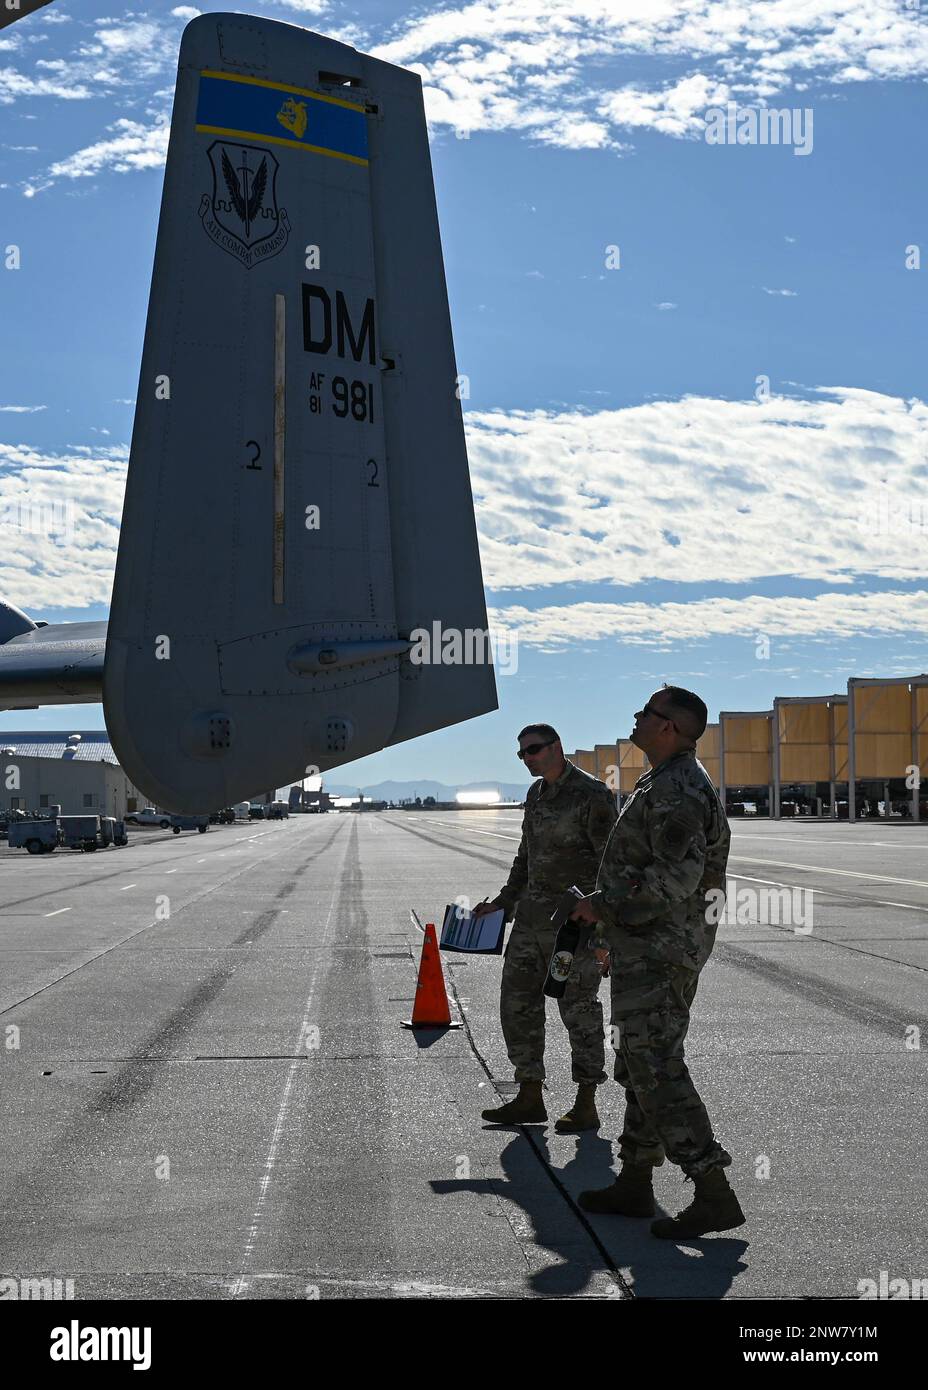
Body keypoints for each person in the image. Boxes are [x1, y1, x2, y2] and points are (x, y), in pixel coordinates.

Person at [569, 686, 744, 1238]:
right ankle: (636, 1180)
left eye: (646, 713)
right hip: (646, 944)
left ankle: (712, 1190)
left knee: (656, 1066)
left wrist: (600, 906)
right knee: (642, 1063)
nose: (637, 718)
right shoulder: (661, 781)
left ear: (669, 727)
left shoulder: (679, 789)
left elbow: (674, 879)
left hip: (662, 949)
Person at [473, 724, 617, 1132]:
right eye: (521, 754)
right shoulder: (535, 796)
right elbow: (526, 857)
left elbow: (613, 867)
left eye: (534, 750)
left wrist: (605, 937)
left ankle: (586, 1101)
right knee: (517, 1006)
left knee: (577, 1011)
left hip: (574, 928)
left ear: (557, 747)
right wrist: (503, 902)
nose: (527, 758)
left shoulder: (593, 796)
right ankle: (529, 1095)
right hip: (530, 924)